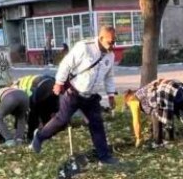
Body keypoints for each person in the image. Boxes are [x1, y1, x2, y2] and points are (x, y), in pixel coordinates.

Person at [31, 26, 119, 165]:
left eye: (114, 42)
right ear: (101, 38)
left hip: (92, 97)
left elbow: (109, 76)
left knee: (97, 125)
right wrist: (59, 82)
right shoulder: (84, 47)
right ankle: (40, 136)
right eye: (110, 42)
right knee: (61, 120)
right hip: (74, 93)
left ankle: (104, 157)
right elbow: (65, 64)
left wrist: (111, 94)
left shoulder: (110, 55)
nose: (112, 45)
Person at [0, 75, 58, 145]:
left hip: (36, 89)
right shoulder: (17, 85)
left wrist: (0, 137)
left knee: (33, 113)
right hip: (45, 84)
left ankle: (13, 139)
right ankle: (20, 138)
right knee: (23, 116)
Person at [124, 79, 183, 148]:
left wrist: (139, 138)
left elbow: (136, 122)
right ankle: (170, 138)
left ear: (128, 100)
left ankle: (158, 142)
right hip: (179, 89)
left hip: (168, 90)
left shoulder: (133, 100)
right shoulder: (145, 92)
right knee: (166, 111)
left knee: (156, 114)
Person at [14, 74, 59, 139]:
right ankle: (50, 132)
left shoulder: (16, 89)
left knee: (34, 114)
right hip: (50, 83)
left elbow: (20, 112)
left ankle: (31, 136)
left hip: (38, 89)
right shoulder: (23, 80)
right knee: (47, 111)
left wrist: (17, 127)